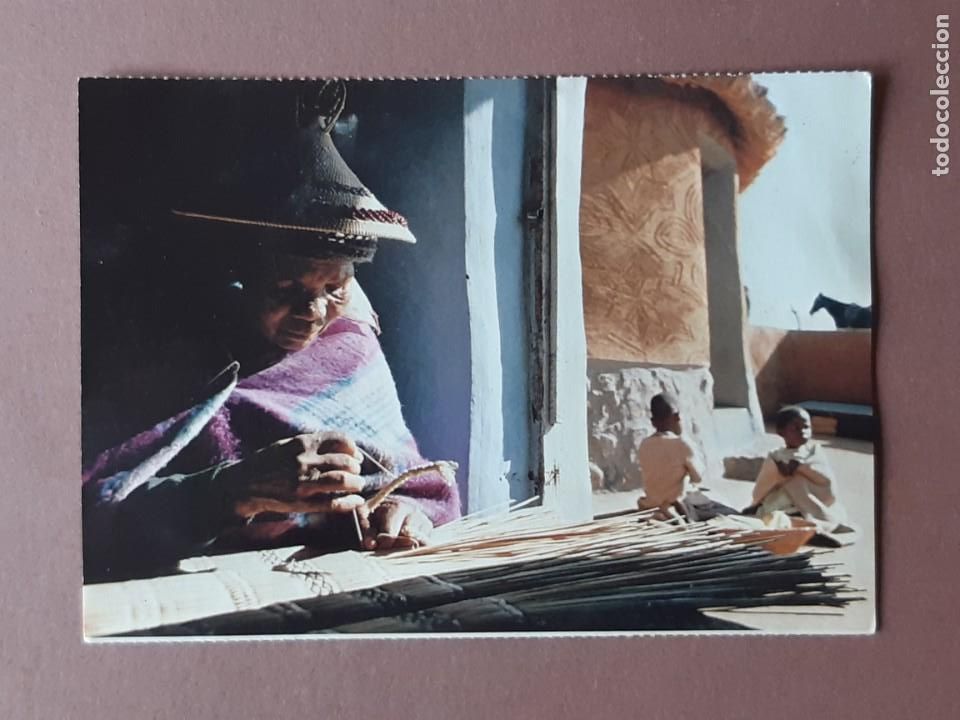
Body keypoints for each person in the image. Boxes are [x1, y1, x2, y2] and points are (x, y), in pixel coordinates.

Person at [82, 81, 460, 582]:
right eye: (285, 288)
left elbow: (414, 487)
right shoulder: (163, 358)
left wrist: (403, 513)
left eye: (336, 287)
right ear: (236, 281)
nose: (314, 310)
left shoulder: (350, 351)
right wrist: (233, 489)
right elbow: (85, 519)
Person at [745, 406, 848, 533]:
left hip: (811, 503)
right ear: (781, 431)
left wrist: (802, 468)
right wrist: (780, 473)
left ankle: (809, 522)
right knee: (776, 516)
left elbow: (825, 479)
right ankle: (794, 522)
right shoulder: (775, 456)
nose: (803, 432)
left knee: (825, 514)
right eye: (795, 428)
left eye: (806, 427)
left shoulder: (814, 452)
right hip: (782, 504)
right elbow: (764, 483)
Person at [636, 393, 705, 520]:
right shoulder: (681, 444)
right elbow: (698, 478)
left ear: (653, 422)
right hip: (676, 506)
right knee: (725, 512)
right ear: (677, 417)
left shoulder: (644, 444)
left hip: (651, 504)